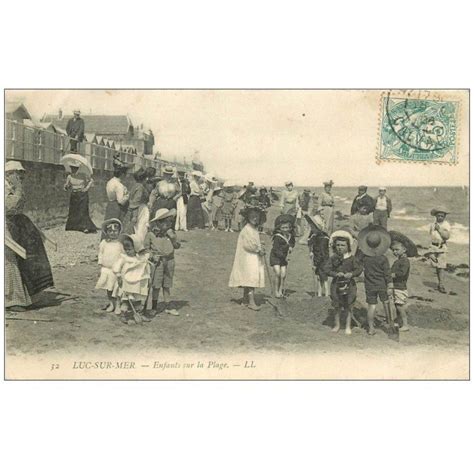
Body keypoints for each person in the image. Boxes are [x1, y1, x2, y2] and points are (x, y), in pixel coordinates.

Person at [5, 161, 54, 312]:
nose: (20, 176)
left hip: (15, 223)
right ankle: (11, 300)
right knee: (9, 260)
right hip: (5, 225)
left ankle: (28, 296)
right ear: (8, 174)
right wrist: (18, 190)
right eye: (17, 173)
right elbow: (8, 207)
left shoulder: (14, 187)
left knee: (29, 255)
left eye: (21, 173)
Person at [323, 230, 363, 334]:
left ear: (348, 246)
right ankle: (337, 325)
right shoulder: (333, 258)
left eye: (343, 245)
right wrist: (335, 274)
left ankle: (348, 326)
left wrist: (351, 274)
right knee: (337, 305)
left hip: (349, 285)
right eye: (338, 245)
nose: (340, 247)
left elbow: (359, 269)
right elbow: (326, 269)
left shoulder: (352, 259)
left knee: (349, 305)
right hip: (337, 284)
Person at [144, 208, 181, 316]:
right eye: (166, 222)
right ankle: (154, 307)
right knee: (156, 285)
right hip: (158, 262)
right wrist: (151, 255)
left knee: (167, 284)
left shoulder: (170, 234)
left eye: (170, 222)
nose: (169, 225)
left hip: (170, 261)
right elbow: (145, 248)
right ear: (159, 223)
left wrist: (173, 238)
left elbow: (177, 246)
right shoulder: (151, 234)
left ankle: (168, 305)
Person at [357, 225, 393, 336]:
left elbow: (359, 267)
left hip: (369, 286)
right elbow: (387, 273)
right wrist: (390, 285)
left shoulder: (365, 259)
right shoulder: (383, 258)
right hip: (381, 284)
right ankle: (390, 324)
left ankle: (371, 328)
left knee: (371, 306)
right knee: (386, 302)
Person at [228, 207, 266, 311]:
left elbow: (253, 241)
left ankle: (245, 300)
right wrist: (259, 250)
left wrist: (259, 244)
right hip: (248, 258)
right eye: (252, 217)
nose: (255, 218)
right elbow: (248, 245)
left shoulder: (253, 229)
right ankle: (251, 302)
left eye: (257, 217)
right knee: (251, 279)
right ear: (248, 217)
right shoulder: (247, 229)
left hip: (250, 256)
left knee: (247, 278)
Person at [113, 234, 150, 322]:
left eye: (129, 249)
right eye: (126, 249)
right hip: (127, 282)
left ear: (136, 248)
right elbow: (116, 266)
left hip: (137, 282)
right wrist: (118, 274)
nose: (127, 251)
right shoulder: (124, 258)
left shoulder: (139, 258)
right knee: (126, 299)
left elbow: (146, 262)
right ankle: (124, 315)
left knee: (137, 299)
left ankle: (138, 314)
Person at [389, 231, 418, 332]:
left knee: (399, 306)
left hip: (400, 287)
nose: (395, 252)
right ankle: (399, 321)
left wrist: (392, 275)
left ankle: (405, 324)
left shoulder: (405, 261)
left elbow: (402, 273)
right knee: (397, 305)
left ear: (404, 249)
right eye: (393, 250)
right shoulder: (399, 260)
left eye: (397, 250)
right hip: (397, 286)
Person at [95, 218, 124, 313]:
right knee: (109, 287)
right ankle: (111, 303)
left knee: (118, 288)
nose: (113, 233)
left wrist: (121, 267)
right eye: (110, 231)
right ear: (107, 232)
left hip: (117, 270)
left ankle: (118, 305)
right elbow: (100, 253)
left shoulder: (120, 243)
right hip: (106, 269)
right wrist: (100, 265)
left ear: (119, 231)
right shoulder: (104, 243)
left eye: (115, 231)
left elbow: (123, 256)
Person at [64, 165, 97, 233]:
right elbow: (67, 186)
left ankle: (85, 227)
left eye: (75, 169)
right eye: (72, 168)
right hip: (74, 194)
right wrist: (66, 186)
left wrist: (86, 188)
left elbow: (91, 181)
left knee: (83, 210)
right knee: (73, 210)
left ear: (78, 169)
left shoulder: (82, 175)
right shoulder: (69, 177)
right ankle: (74, 226)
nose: (74, 170)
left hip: (82, 194)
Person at [103, 157, 130, 238]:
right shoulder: (119, 185)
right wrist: (128, 195)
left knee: (109, 224)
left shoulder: (110, 182)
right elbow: (121, 201)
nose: (126, 176)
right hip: (117, 208)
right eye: (125, 174)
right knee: (117, 225)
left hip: (110, 204)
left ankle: (106, 241)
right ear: (122, 174)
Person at [270, 214, 295, 298]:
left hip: (283, 258)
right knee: (277, 272)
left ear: (290, 228)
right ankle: (276, 291)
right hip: (276, 257)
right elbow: (276, 250)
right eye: (283, 228)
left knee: (283, 275)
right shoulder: (277, 237)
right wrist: (285, 257)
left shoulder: (290, 236)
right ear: (279, 228)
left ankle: (281, 290)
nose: (285, 229)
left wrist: (291, 247)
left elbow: (292, 243)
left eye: (287, 227)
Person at [306, 210, 330, 297]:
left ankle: (324, 294)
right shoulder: (318, 236)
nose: (312, 229)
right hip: (322, 260)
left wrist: (315, 264)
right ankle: (321, 293)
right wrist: (311, 251)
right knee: (321, 278)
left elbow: (321, 253)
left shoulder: (322, 239)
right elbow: (310, 242)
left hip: (322, 261)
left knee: (322, 277)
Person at [426, 208, 451, 293]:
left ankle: (441, 285)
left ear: (444, 217)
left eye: (442, 216)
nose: (440, 217)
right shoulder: (432, 224)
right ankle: (439, 283)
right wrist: (429, 249)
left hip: (442, 247)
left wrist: (439, 229)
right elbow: (431, 235)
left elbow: (447, 236)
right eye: (438, 215)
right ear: (435, 216)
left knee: (441, 267)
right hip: (433, 247)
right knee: (437, 266)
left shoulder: (446, 224)